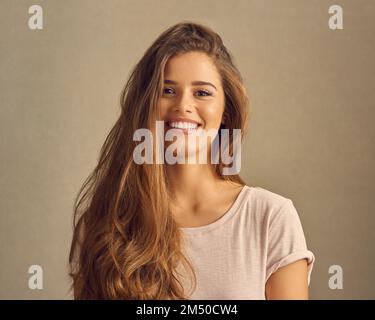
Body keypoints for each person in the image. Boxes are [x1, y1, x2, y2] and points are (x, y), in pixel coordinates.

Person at [69, 21, 315, 300]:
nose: (183, 106)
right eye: (168, 91)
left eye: (202, 93)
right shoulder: (102, 226)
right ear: (145, 104)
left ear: (225, 111)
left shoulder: (270, 218)